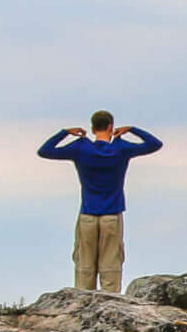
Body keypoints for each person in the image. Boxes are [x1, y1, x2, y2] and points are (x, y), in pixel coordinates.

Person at [37, 113, 162, 293]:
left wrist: (64, 133)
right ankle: (111, 303)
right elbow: (154, 144)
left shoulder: (81, 148)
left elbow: (45, 151)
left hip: (88, 214)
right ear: (111, 127)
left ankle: (82, 305)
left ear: (93, 128)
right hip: (112, 214)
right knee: (110, 263)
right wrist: (132, 130)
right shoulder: (120, 148)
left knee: (85, 265)